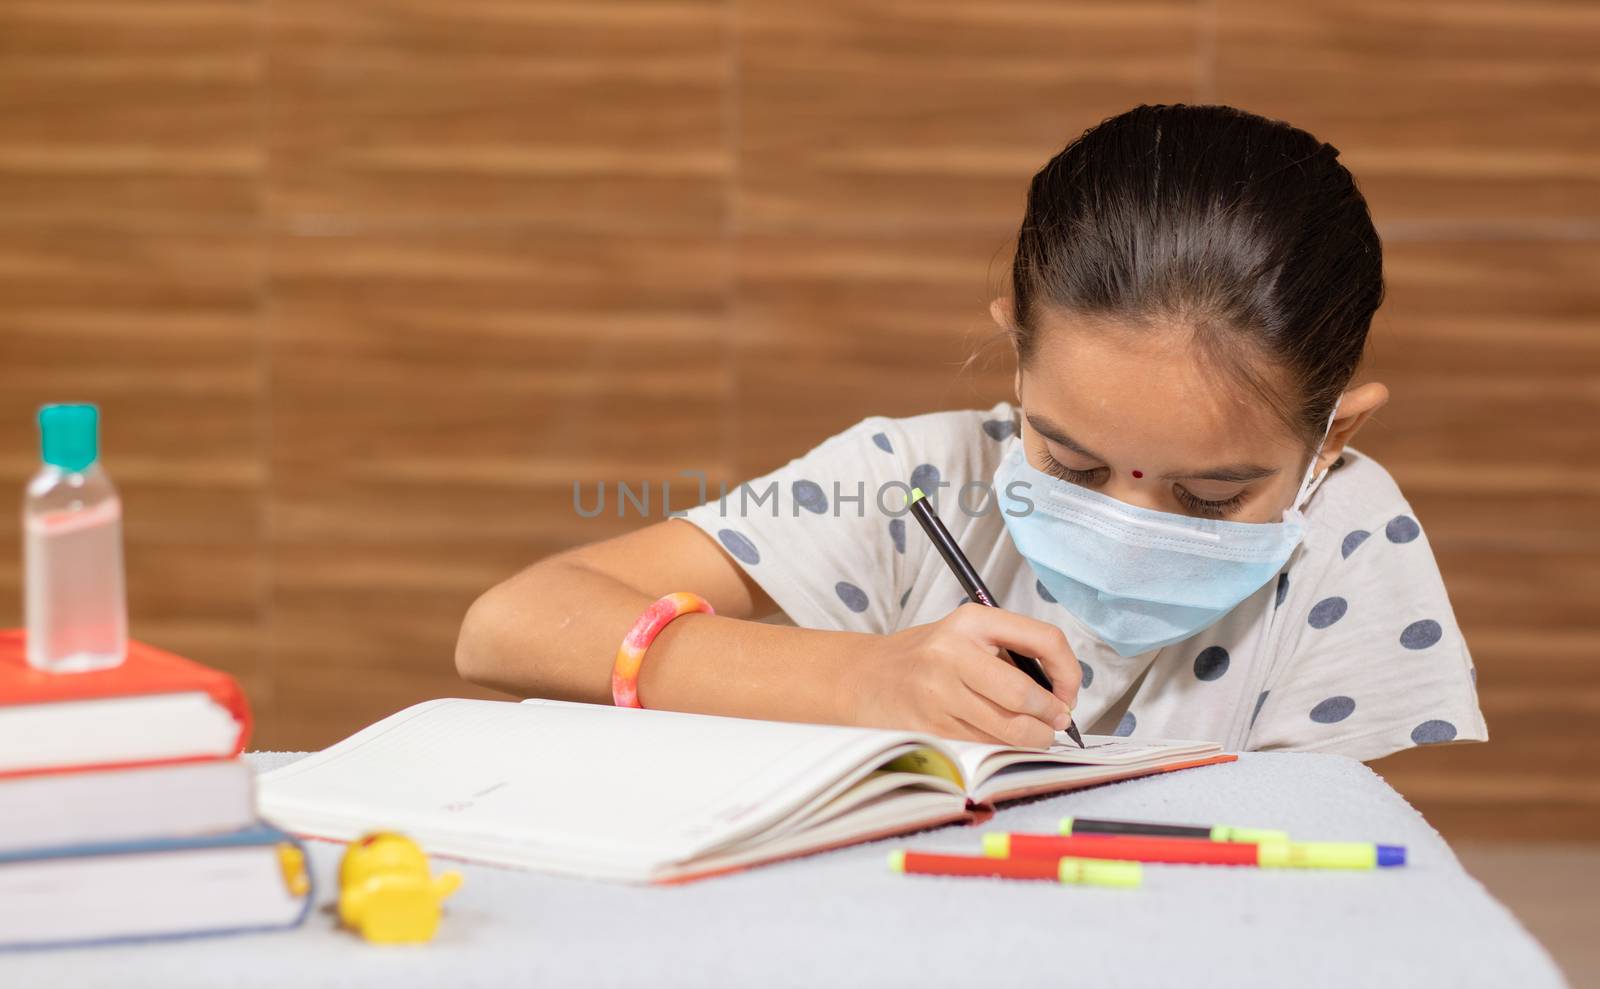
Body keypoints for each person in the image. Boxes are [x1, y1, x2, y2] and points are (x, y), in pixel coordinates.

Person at [455, 103, 1485, 761]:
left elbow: (1336, 874)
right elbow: (507, 624)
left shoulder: (1349, 538)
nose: (1123, 521)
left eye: (1210, 494)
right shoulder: (916, 480)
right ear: (1016, 358)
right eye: (1071, 461)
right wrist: (861, 678)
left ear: (1332, 438)